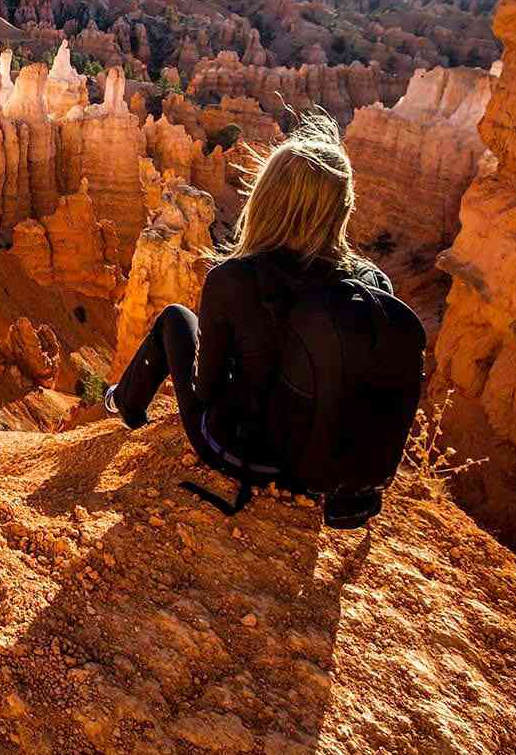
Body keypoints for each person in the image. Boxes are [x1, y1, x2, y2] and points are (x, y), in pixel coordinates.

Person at [106, 111, 424, 527]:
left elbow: (206, 388)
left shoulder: (234, 279)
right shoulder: (370, 281)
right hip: (320, 467)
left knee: (174, 319)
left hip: (241, 453)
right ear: (341, 208)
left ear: (267, 199)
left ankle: (125, 403)